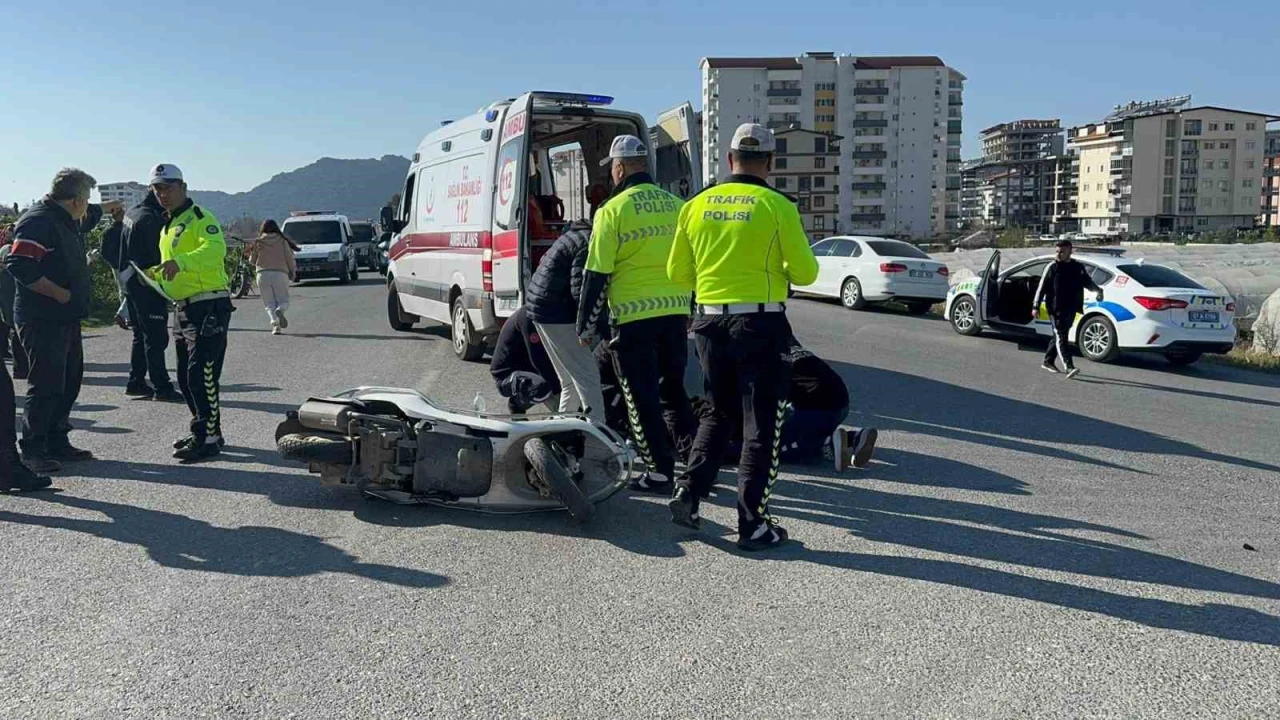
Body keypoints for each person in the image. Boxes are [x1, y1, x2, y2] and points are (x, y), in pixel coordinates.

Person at [665, 123, 819, 551]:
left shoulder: (695, 206)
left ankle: (689, 492)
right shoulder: (776, 205)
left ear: (729, 159)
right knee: (760, 426)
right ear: (769, 162)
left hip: (709, 324)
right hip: (760, 324)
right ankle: (752, 524)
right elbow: (807, 272)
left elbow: (677, 274)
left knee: (717, 413)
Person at [578, 135, 696, 494]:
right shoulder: (678, 206)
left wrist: (586, 326)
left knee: (639, 398)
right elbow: (691, 264)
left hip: (633, 319)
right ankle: (695, 463)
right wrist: (689, 307)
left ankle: (660, 473)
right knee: (673, 392)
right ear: (645, 165)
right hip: (676, 314)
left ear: (618, 168)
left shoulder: (611, 211)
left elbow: (596, 273)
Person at [4, 168, 116, 472]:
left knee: (68, 381)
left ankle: (57, 440)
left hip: (66, 318)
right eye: (87, 198)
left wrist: (111, 208)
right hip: (42, 318)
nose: (88, 205)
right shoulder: (39, 221)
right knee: (46, 384)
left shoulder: (66, 216)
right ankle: (33, 449)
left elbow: (93, 213)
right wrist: (58, 294)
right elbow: (19, 264)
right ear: (77, 199)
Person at [147, 164, 232, 463]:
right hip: (182, 307)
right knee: (185, 376)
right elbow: (172, 267)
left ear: (183, 187)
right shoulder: (168, 225)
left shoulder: (200, 218)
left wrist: (180, 263)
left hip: (208, 305)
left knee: (202, 373)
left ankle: (207, 439)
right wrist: (153, 276)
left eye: (168, 187)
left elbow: (215, 250)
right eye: (157, 189)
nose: (162, 194)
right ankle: (206, 429)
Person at [525, 212, 601, 422]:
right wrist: (591, 327)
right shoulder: (588, 243)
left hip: (540, 308)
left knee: (569, 380)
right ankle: (599, 440)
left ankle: (562, 431)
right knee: (588, 377)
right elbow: (581, 292)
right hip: (555, 311)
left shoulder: (574, 236)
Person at [119, 188, 181, 401]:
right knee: (156, 338)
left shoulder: (133, 212)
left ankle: (135, 382)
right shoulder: (151, 220)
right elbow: (157, 257)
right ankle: (162, 387)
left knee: (141, 335)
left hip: (131, 283)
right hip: (147, 286)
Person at [1034, 239, 1104, 379]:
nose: (1058, 254)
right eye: (1057, 252)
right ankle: (1069, 366)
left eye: (1062, 252)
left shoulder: (1077, 267)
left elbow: (1087, 282)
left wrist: (1098, 291)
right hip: (1055, 308)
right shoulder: (1052, 267)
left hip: (1072, 306)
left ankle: (1048, 361)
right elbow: (1041, 288)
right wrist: (1035, 306)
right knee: (1061, 335)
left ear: (1070, 252)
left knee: (1060, 334)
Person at [490, 305, 559, 414]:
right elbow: (538, 359)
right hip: (506, 374)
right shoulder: (528, 317)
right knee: (544, 386)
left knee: (555, 379)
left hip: (526, 366)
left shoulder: (549, 315)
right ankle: (516, 405)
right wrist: (558, 388)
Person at [250, 219, 297, 334]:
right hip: (280, 273)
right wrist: (293, 271)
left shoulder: (259, 242)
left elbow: (252, 260)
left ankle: (275, 325)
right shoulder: (282, 241)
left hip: (262, 274)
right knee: (283, 300)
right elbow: (289, 258)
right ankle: (280, 310)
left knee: (269, 302)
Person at [1, 227, 30, 380]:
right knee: (16, 329)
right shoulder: (9, 248)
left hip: (8, 290)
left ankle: (21, 368)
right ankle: (21, 368)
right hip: (11, 289)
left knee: (13, 328)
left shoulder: (8, 248)